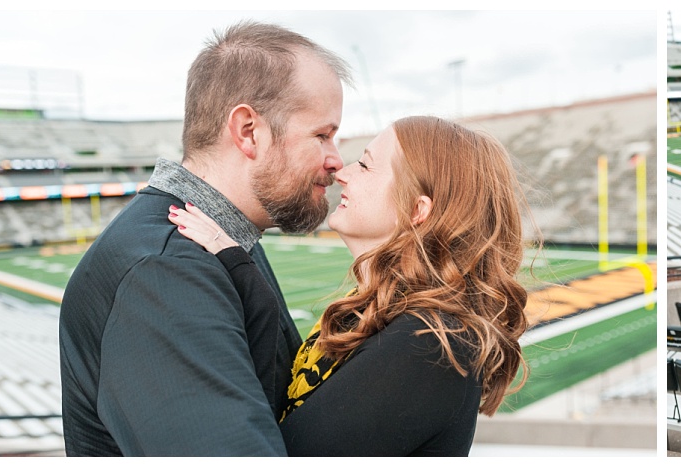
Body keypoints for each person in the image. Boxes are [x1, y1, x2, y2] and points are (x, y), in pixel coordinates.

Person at [59, 21, 352, 456]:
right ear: (248, 131)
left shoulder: (223, 238)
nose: (336, 161)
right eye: (322, 135)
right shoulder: (164, 271)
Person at [168, 115, 531, 456]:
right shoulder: (374, 310)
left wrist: (247, 283)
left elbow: (274, 451)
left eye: (367, 164)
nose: (343, 172)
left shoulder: (431, 344)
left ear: (417, 210)